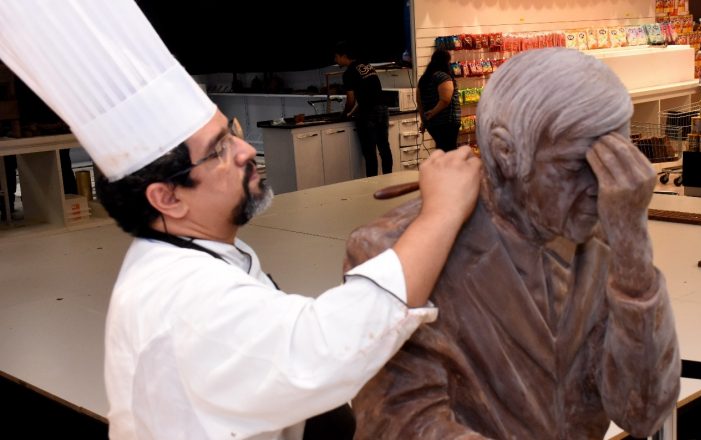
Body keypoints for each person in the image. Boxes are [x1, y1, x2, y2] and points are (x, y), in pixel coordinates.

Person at [0, 2, 483, 439]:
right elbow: (326, 348)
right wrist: (441, 212)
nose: (247, 149)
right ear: (167, 197)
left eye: (231, 134)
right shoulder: (182, 298)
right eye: (220, 150)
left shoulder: (201, 249)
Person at [344, 48, 680, 440]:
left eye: (613, 162)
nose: (605, 189)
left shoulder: (604, 235)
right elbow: (401, 425)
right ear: (506, 152)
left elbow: (643, 412)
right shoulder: (399, 252)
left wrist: (633, 245)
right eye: (577, 166)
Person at [334, 41, 393, 177]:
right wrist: (353, 112)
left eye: (336, 56)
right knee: (384, 146)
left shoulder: (349, 73)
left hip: (368, 113)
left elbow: (351, 100)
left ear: (343, 56)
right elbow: (367, 95)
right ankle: (389, 178)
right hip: (382, 108)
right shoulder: (367, 66)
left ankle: (372, 183)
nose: (335, 60)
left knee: (369, 151)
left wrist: (344, 114)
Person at [416, 48, 461, 152]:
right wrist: (432, 113)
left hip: (433, 124)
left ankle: (440, 168)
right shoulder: (443, 76)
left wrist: (424, 120)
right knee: (449, 152)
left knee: (442, 150)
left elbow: (419, 101)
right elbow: (445, 100)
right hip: (447, 121)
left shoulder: (424, 78)